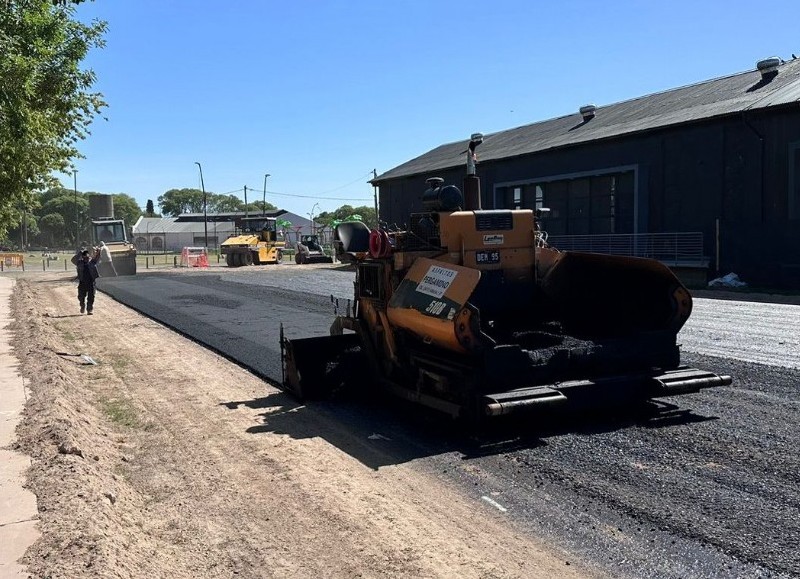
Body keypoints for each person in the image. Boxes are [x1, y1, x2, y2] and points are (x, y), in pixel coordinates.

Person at [70, 247, 101, 314]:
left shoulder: (92, 262)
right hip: (82, 282)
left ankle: (89, 309)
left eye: (87, 257)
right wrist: (80, 252)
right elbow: (73, 260)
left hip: (91, 282)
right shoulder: (79, 263)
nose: (86, 259)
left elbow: (97, 257)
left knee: (91, 297)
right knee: (81, 297)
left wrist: (98, 251)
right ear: (82, 257)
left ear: (88, 257)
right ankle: (82, 306)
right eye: (84, 257)